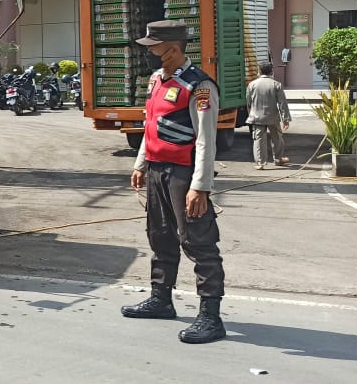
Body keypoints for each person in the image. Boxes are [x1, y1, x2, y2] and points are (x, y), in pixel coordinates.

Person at [123, 19, 227, 344]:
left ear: (171, 48)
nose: (149, 50)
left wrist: (201, 186)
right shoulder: (156, 80)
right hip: (156, 170)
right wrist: (141, 163)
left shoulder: (200, 86)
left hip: (184, 175)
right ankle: (161, 299)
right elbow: (150, 125)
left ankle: (210, 316)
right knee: (161, 236)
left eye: (153, 45)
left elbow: (206, 141)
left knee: (198, 241)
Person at [246, 62, 291, 169]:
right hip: (273, 117)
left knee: (258, 139)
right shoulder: (276, 84)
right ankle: (278, 159)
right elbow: (282, 103)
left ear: (259, 71)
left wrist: (250, 114)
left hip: (256, 117)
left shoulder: (252, 84)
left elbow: (248, 102)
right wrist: (285, 119)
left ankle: (260, 163)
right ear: (271, 72)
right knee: (277, 137)